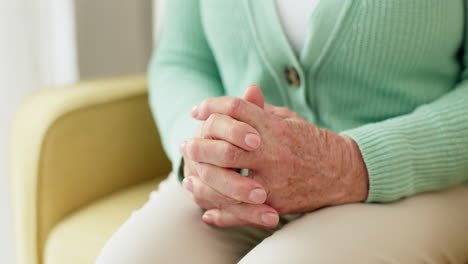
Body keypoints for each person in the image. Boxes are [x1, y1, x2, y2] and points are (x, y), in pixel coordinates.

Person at [97, 0, 468, 263]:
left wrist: (352, 163)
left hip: (427, 179)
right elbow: (182, 57)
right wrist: (204, 150)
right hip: (246, 179)